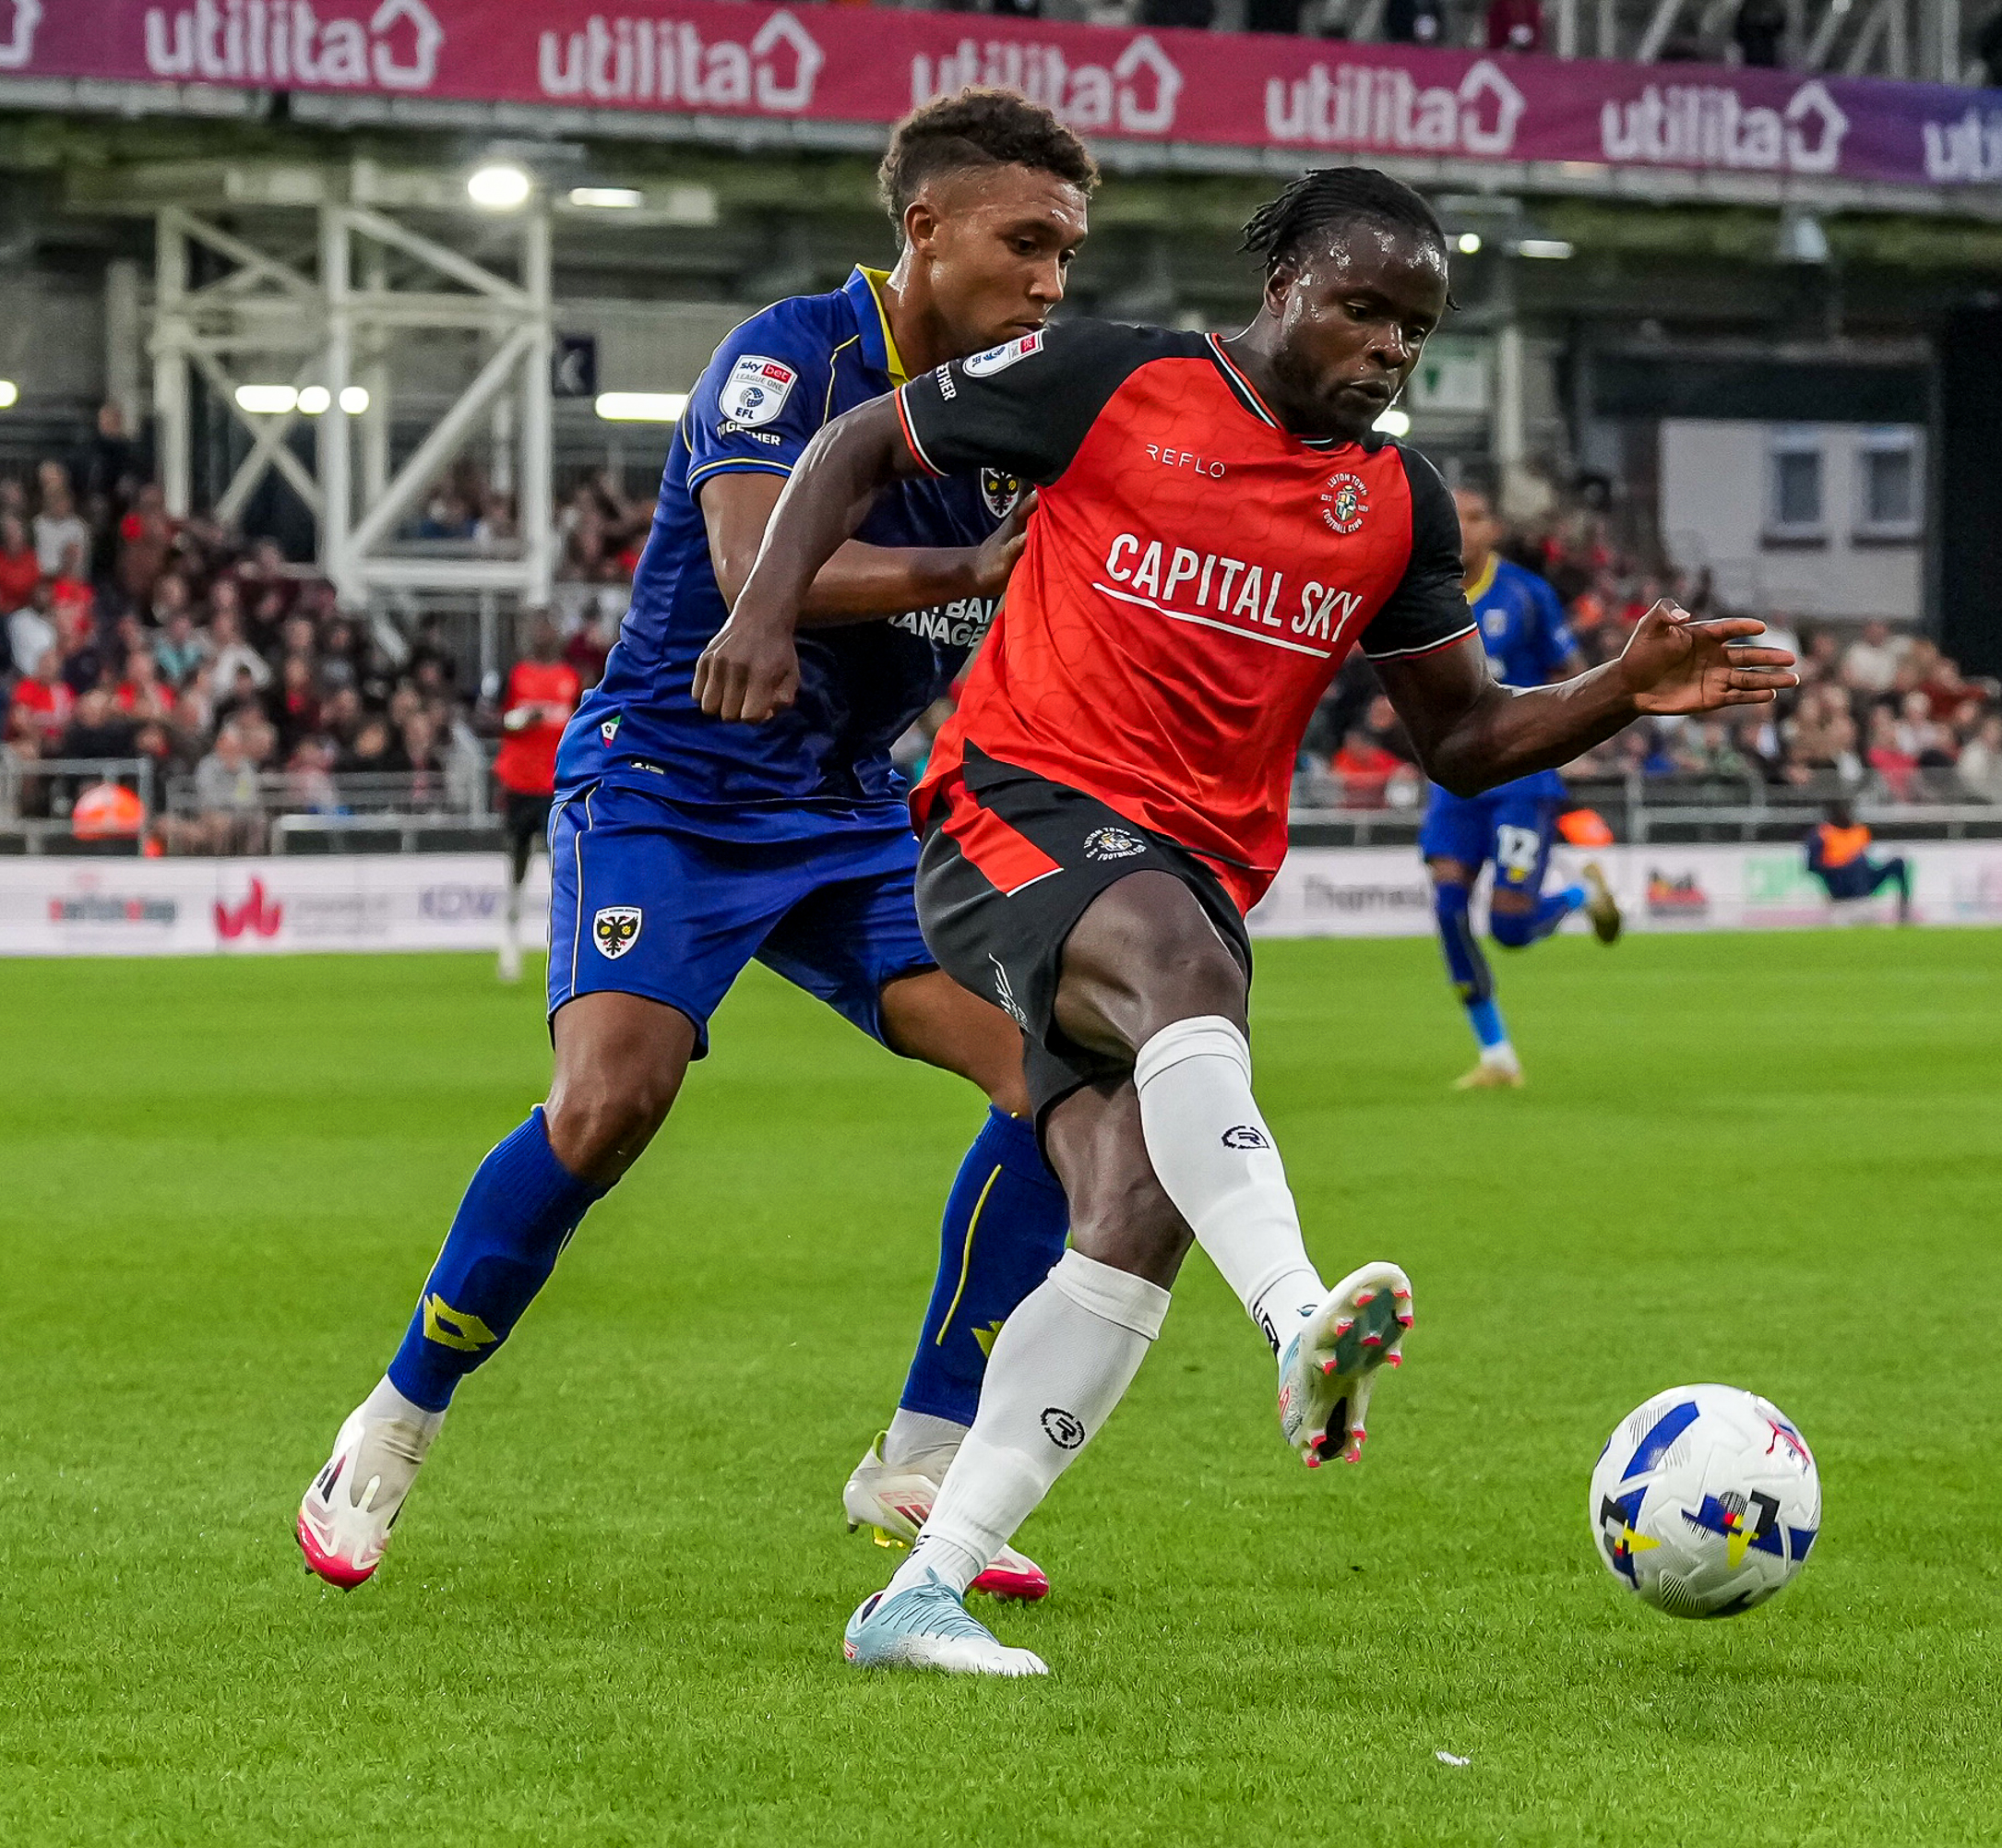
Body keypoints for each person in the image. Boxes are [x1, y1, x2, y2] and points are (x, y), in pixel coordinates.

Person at [698, 165, 1793, 1676]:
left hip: (1190, 863)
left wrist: (1616, 688)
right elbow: (852, 441)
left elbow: (1464, 735)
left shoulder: (1397, 504)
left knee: (1131, 1208)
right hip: (1009, 808)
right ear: (1284, 286)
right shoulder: (1115, 376)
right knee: (1181, 965)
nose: (1390, 345)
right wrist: (763, 605)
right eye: (1363, 305)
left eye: (1416, 325)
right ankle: (1295, 1327)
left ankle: (920, 1587)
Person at [294, 90, 1102, 1604]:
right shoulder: (788, 356)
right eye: (1028, 242)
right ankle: (392, 1421)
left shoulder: (1025, 413)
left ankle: (921, 1448)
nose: (1053, 279)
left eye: (1069, 249)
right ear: (925, 227)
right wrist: (975, 565)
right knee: (610, 1105)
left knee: (1061, 1077)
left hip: (851, 813)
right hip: (668, 784)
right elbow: (756, 564)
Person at [1419, 485, 1620, 1090]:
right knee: (1449, 906)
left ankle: (1580, 898)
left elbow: (1567, 678)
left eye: (1474, 516)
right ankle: (1497, 1054)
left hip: (1521, 776)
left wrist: (1567, 747)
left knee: (1509, 928)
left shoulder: (1528, 596)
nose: (1463, 528)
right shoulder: (1423, 594)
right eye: (1452, 518)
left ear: (1494, 529)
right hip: (1454, 775)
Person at [493, 616, 578, 983]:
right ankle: (509, 948)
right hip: (519, 784)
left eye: (549, 627)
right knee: (516, 866)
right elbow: (494, 720)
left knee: (561, 871)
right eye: (539, 628)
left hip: (555, 786)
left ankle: (561, 951)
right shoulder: (516, 675)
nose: (544, 634)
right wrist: (519, 719)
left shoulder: (571, 679)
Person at [1805, 799, 1911, 922]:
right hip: (1838, 881)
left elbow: (1868, 856)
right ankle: (1860, 907)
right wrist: (1839, 867)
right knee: (1857, 863)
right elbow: (1812, 866)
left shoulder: (1859, 831)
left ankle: (1903, 911)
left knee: (1897, 863)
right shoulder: (1822, 834)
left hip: (1863, 877)